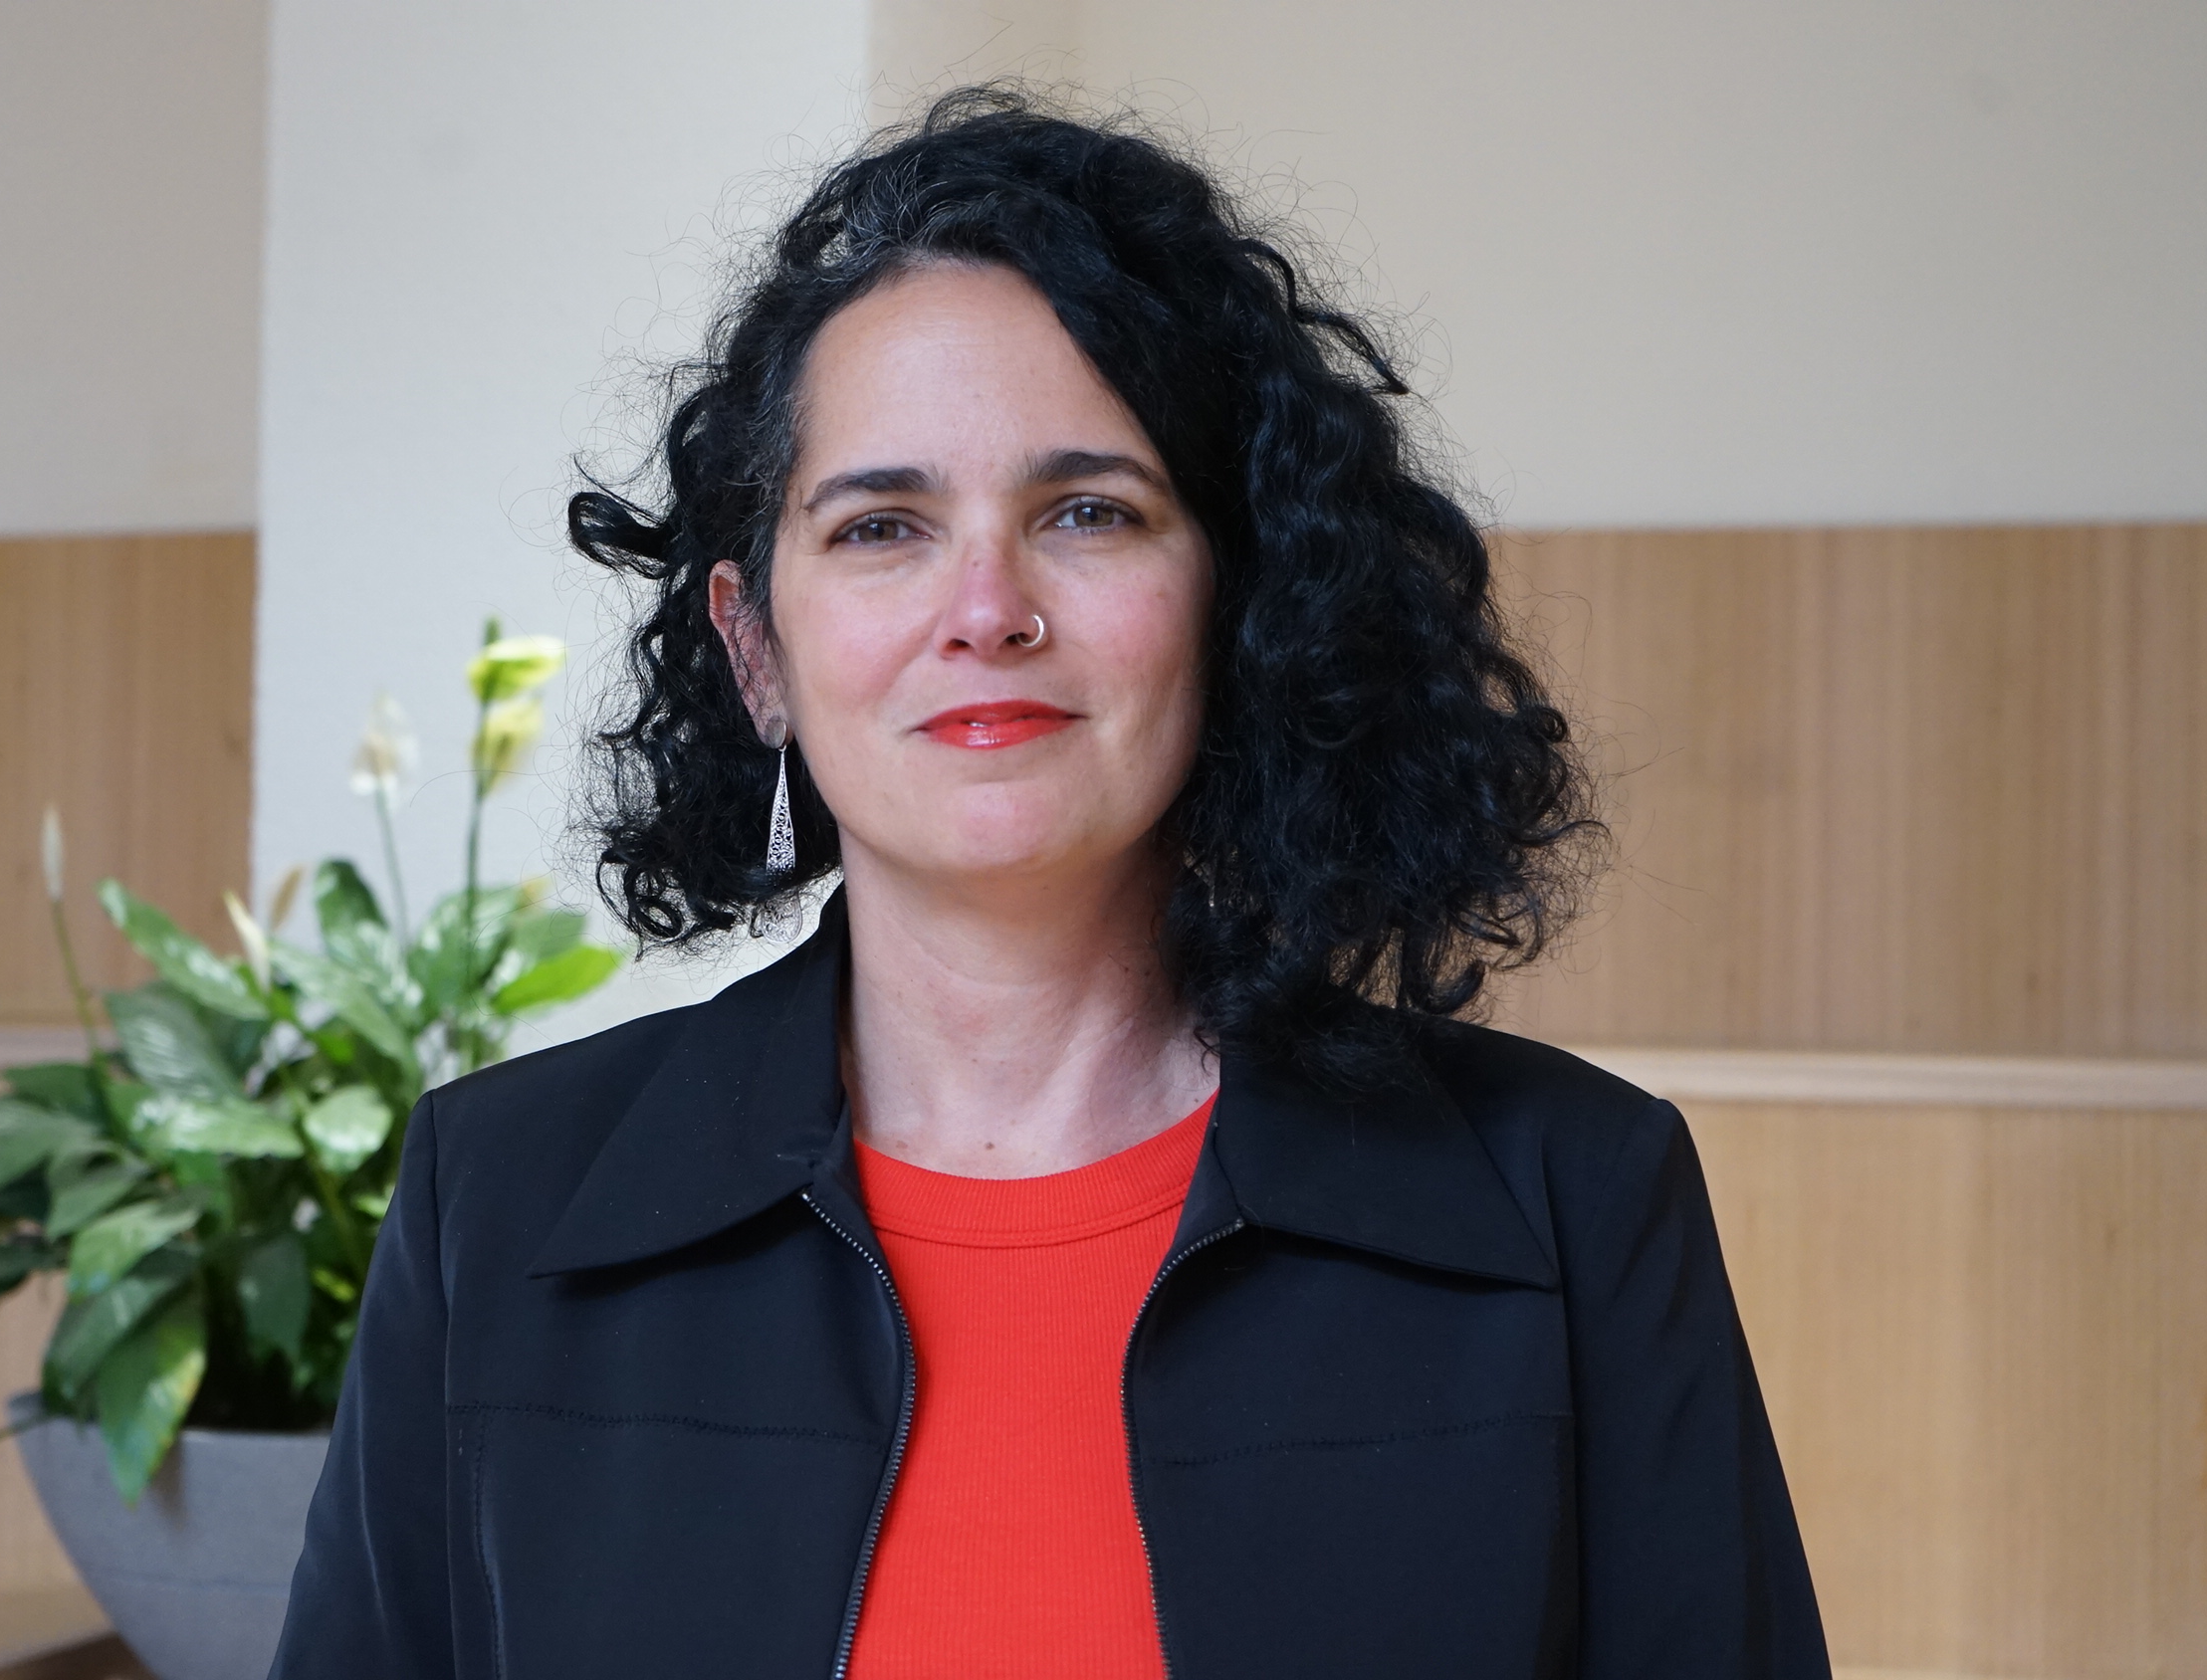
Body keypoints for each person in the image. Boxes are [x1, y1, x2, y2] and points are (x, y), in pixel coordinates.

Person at [268, 87, 1829, 1680]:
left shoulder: (1571, 1197)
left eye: (1088, 512)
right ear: (757, 651)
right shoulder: (497, 1203)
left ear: (1239, 604)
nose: (987, 608)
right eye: (882, 526)